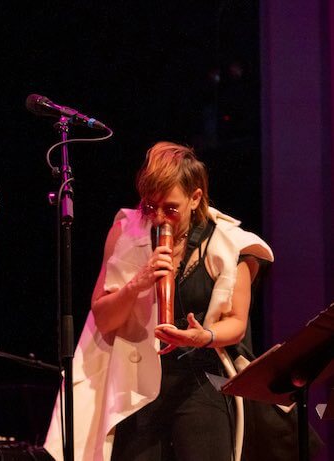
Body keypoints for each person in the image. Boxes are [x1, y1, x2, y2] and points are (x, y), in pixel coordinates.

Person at [44, 142, 274, 461]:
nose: (159, 217)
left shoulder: (231, 243)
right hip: (137, 381)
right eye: (151, 207)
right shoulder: (127, 230)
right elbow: (104, 317)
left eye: (170, 208)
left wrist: (202, 336)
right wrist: (138, 282)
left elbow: (236, 323)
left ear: (195, 198)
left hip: (200, 377)